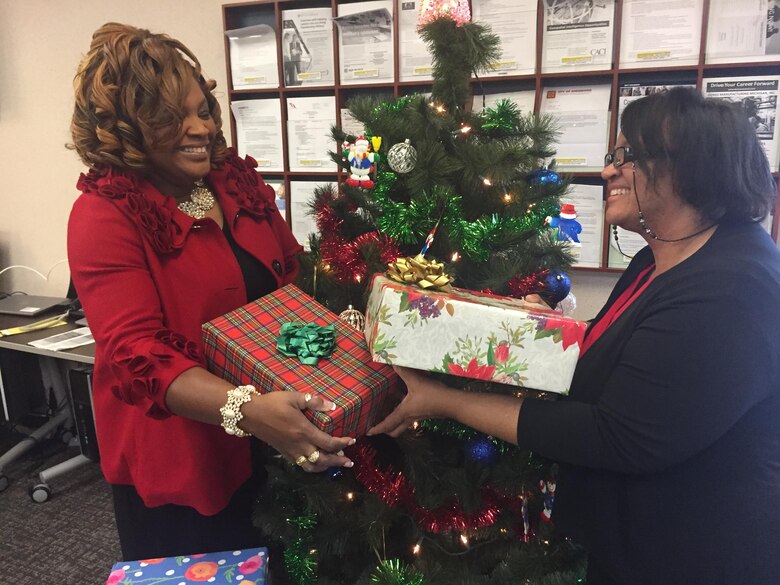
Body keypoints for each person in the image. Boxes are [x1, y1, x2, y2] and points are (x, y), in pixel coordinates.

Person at [369, 87, 780, 584]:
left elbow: (614, 435)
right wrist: (551, 330)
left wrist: (444, 400)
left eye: (626, 157)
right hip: (640, 544)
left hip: (691, 557)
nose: (608, 171)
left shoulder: (730, 289)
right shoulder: (662, 255)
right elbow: (628, 348)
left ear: (691, 163)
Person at [67, 23, 354, 562]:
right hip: (184, 457)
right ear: (128, 128)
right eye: (174, 118)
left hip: (278, 434)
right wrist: (248, 409)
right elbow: (136, 354)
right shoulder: (104, 214)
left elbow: (293, 283)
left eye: (204, 110)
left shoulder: (231, 181)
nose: (200, 127)